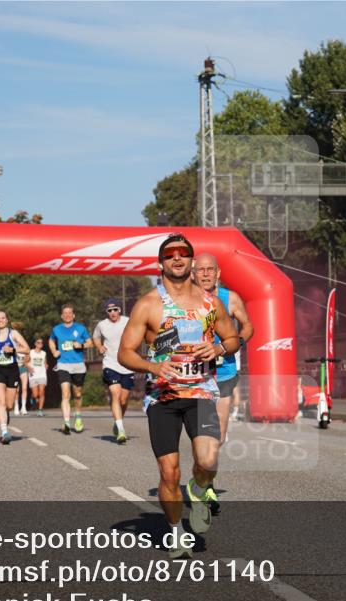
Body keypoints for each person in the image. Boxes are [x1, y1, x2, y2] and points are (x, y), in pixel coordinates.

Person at [119, 234, 240, 558]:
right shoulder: (148, 304)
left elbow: (232, 338)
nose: (177, 258)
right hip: (163, 398)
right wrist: (152, 368)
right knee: (169, 471)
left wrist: (217, 347)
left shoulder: (210, 304)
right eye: (170, 254)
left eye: (183, 253)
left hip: (201, 391)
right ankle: (175, 533)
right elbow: (125, 353)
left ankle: (199, 489)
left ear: (190, 261)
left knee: (208, 460)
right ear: (161, 263)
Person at [192, 253, 254, 515]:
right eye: (201, 270)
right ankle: (206, 487)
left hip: (225, 373)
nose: (205, 274)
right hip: (195, 376)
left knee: (219, 436)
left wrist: (237, 342)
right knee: (203, 435)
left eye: (210, 270)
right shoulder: (185, 301)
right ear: (193, 274)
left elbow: (248, 325)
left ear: (218, 273)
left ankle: (202, 480)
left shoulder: (230, 299)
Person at [93, 298, 133, 443]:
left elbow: (139, 332)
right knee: (115, 394)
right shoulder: (101, 325)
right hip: (110, 363)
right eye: (109, 310)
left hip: (127, 364)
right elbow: (96, 337)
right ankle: (121, 429)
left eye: (115, 309)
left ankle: (118, 421)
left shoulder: (128, 321)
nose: (113, 312)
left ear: (120, 310)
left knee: (124, 399)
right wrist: (99, 347)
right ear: (106, 312)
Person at [0, 310, 29, 444]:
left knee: (9, 405)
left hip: (12, 370)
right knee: (1, 402)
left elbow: (27, 349)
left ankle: (6, 414)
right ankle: (5, 432)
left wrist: (13, 350)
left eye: (3, 318)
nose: (0, 320)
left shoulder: (13, 333)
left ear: (7, 319)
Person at [49, 304, 93, 434]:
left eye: (70, 313)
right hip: (63, 364)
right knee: (65, 393)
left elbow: (90, 343)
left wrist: (81, 345)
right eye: (65, 313)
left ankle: (78, 417)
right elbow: (51, 341)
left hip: (78, 365)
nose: (67, 315)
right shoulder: (57, 329)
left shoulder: (80, 328)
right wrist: (54, 351)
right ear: (62, 316)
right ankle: (67, 422)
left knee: (78, 394)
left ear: (73, 315)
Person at [27, 337, 49, 416]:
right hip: (33, 375)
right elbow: (25, 362)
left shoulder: (44, 353)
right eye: (38, 343)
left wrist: (46, 365)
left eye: (42, 343)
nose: (40, 344)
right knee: (36, 394)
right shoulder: (31, 352)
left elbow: (45, 363)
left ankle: (40, 410)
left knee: (42, 391)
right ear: (35, 344)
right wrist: (29, 367)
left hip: (42, 375)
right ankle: (33, 397)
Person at [17, 348, 30, 416]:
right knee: (16, 389)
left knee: (24, 388)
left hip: (23, 368)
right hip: (15, 369)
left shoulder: (25, 349)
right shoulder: (12, 347)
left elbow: (28, 358)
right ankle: (16, 406)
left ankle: (23, 407)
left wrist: (26, 358)